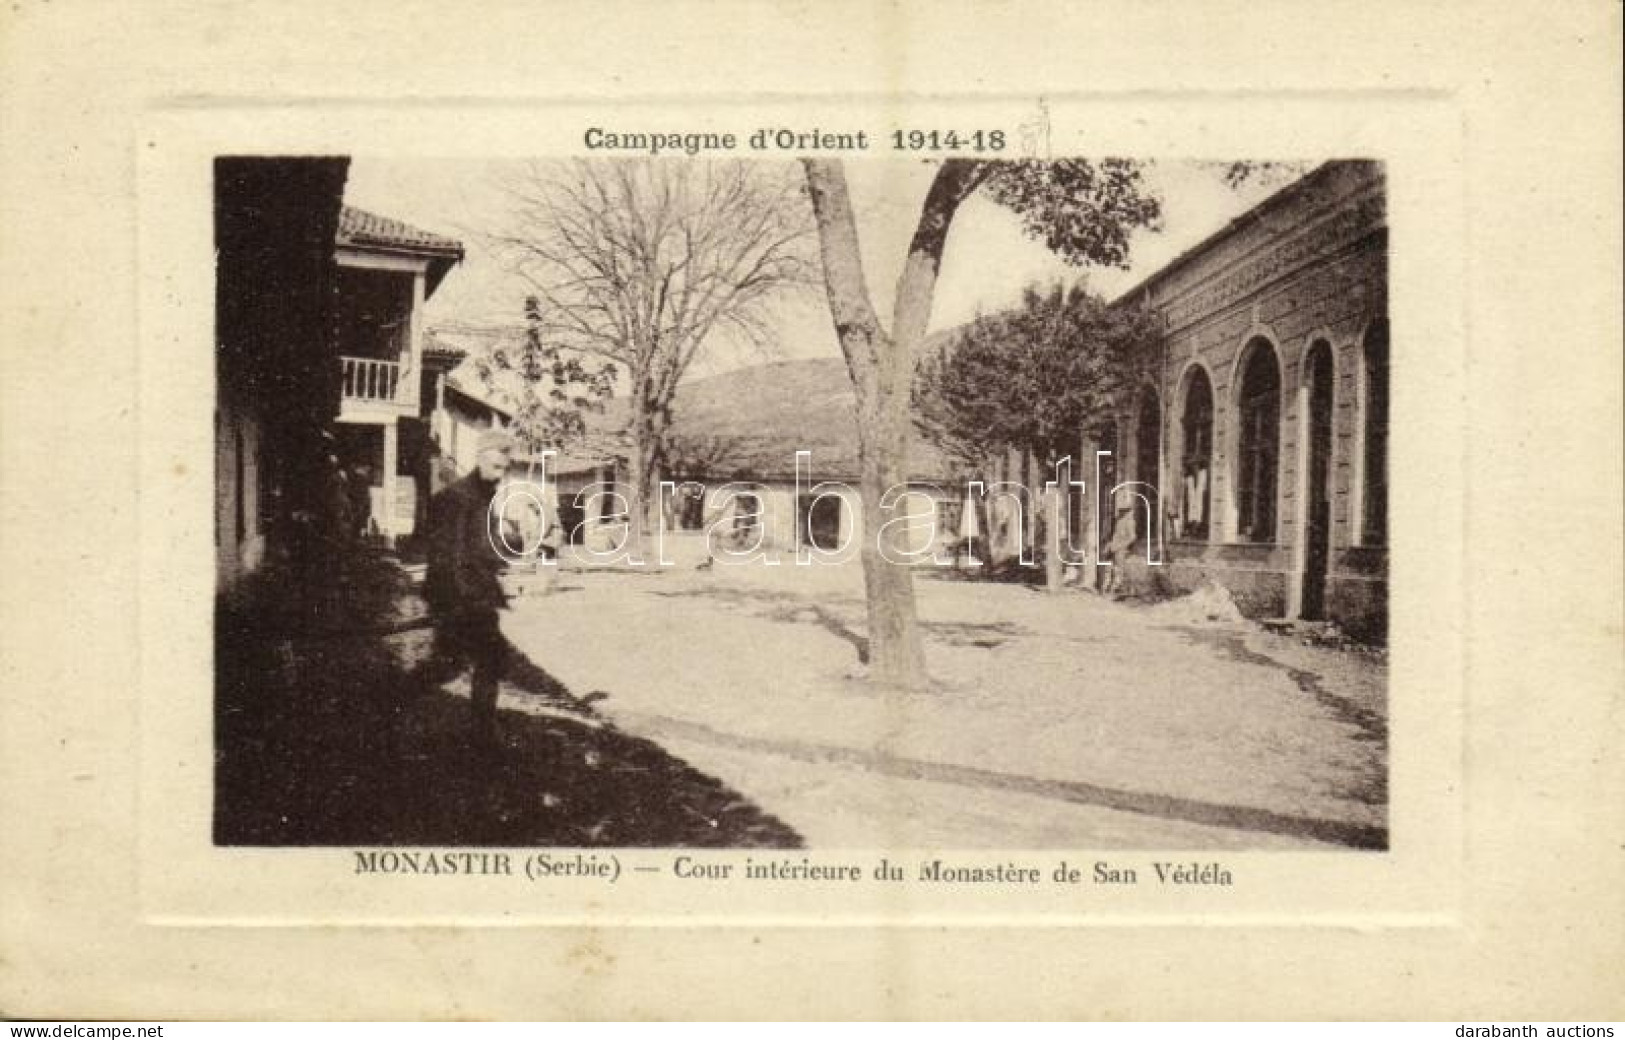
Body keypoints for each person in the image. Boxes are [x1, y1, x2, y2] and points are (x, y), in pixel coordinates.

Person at [424, 428, 515, 746]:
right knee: (483, 658)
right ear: (480, 459)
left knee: (453, 662)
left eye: (505, 468)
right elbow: (452, 557)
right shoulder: (460, 499)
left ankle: (483, 728)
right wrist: (462, 601)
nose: (501, 475)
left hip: (471, 595)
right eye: (495, 467)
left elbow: (479, 549)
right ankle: (484, 733)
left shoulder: (481, 497)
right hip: (460, 597)